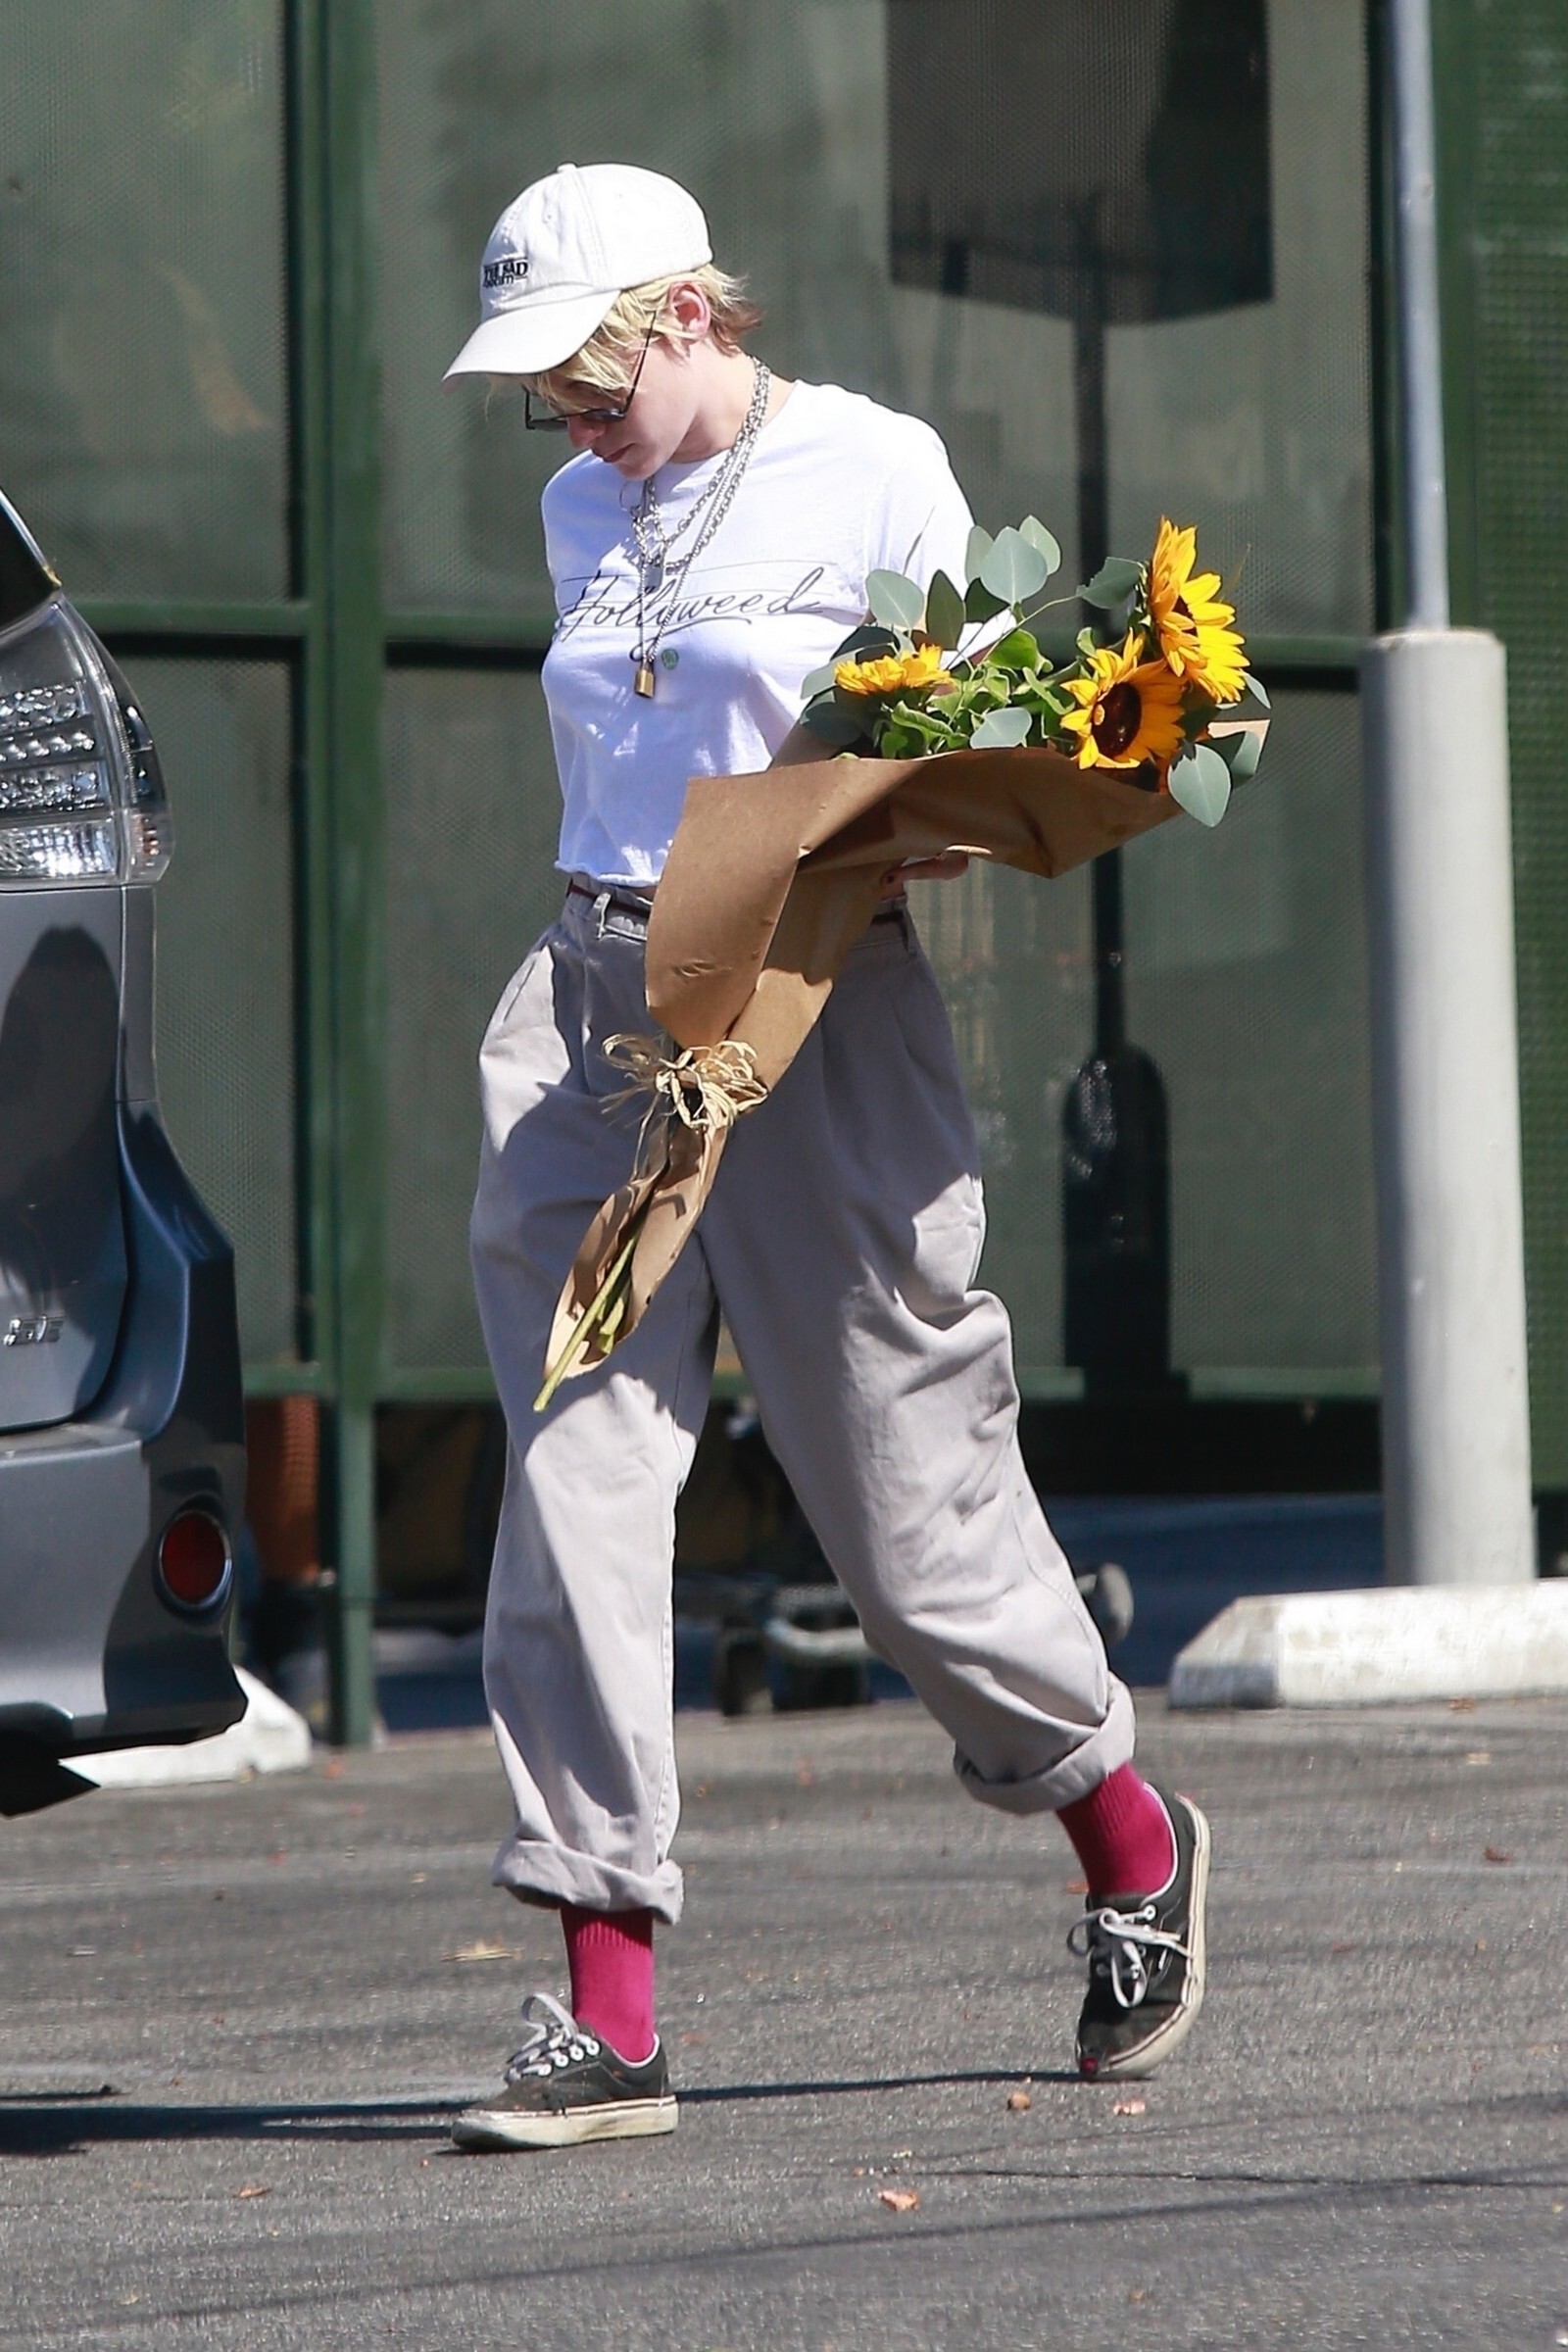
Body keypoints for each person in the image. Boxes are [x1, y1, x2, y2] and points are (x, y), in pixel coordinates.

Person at [442, 163, 1209, 2152]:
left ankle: (1123, 1828)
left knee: (905, 1509)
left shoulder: (873, 468)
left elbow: (980, 743)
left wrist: (937, 808)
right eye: (542, 390)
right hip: (598, 1004)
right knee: (574, 1470)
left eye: (588, 372)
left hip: (814, 999)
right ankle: (607, 1999)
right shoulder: (578, 502)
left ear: (690, 314)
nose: (567, 416)